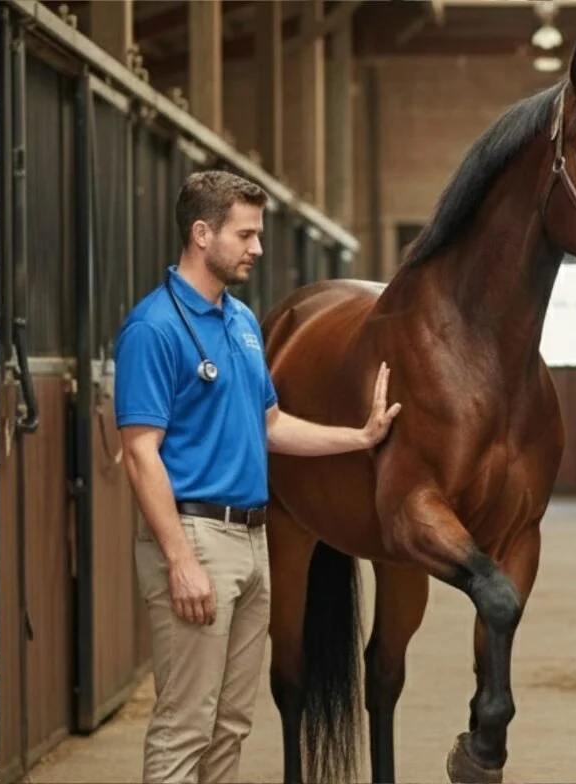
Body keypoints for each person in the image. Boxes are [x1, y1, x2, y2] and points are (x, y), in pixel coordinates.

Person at [114, 170, 402, 784]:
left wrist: (359, 437)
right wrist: (179, 560)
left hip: (252, 538)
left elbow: (271, 425)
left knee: (232, 723)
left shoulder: (242, 322)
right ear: (201, 234)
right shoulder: (153, 328)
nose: (257, 249)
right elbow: (141, 454)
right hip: (195, 538)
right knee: (185, 725)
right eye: (245, 235)